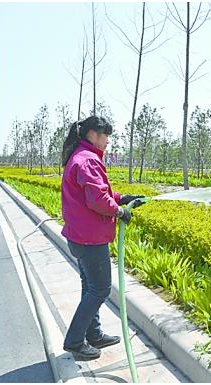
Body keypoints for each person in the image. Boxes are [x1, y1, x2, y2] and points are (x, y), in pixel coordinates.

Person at [60, 116, 144, 359]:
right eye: (105, 135)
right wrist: (119, 211)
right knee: (100, 289)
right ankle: (75, 341)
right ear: (92, 135)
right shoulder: (87, 160)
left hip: (80, 236)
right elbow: (97, 200)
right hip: (90, 239)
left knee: (90, 286)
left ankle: (93, 334)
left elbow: (100, 192)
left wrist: (121, 197)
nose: (108, 140)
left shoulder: (81, 157)